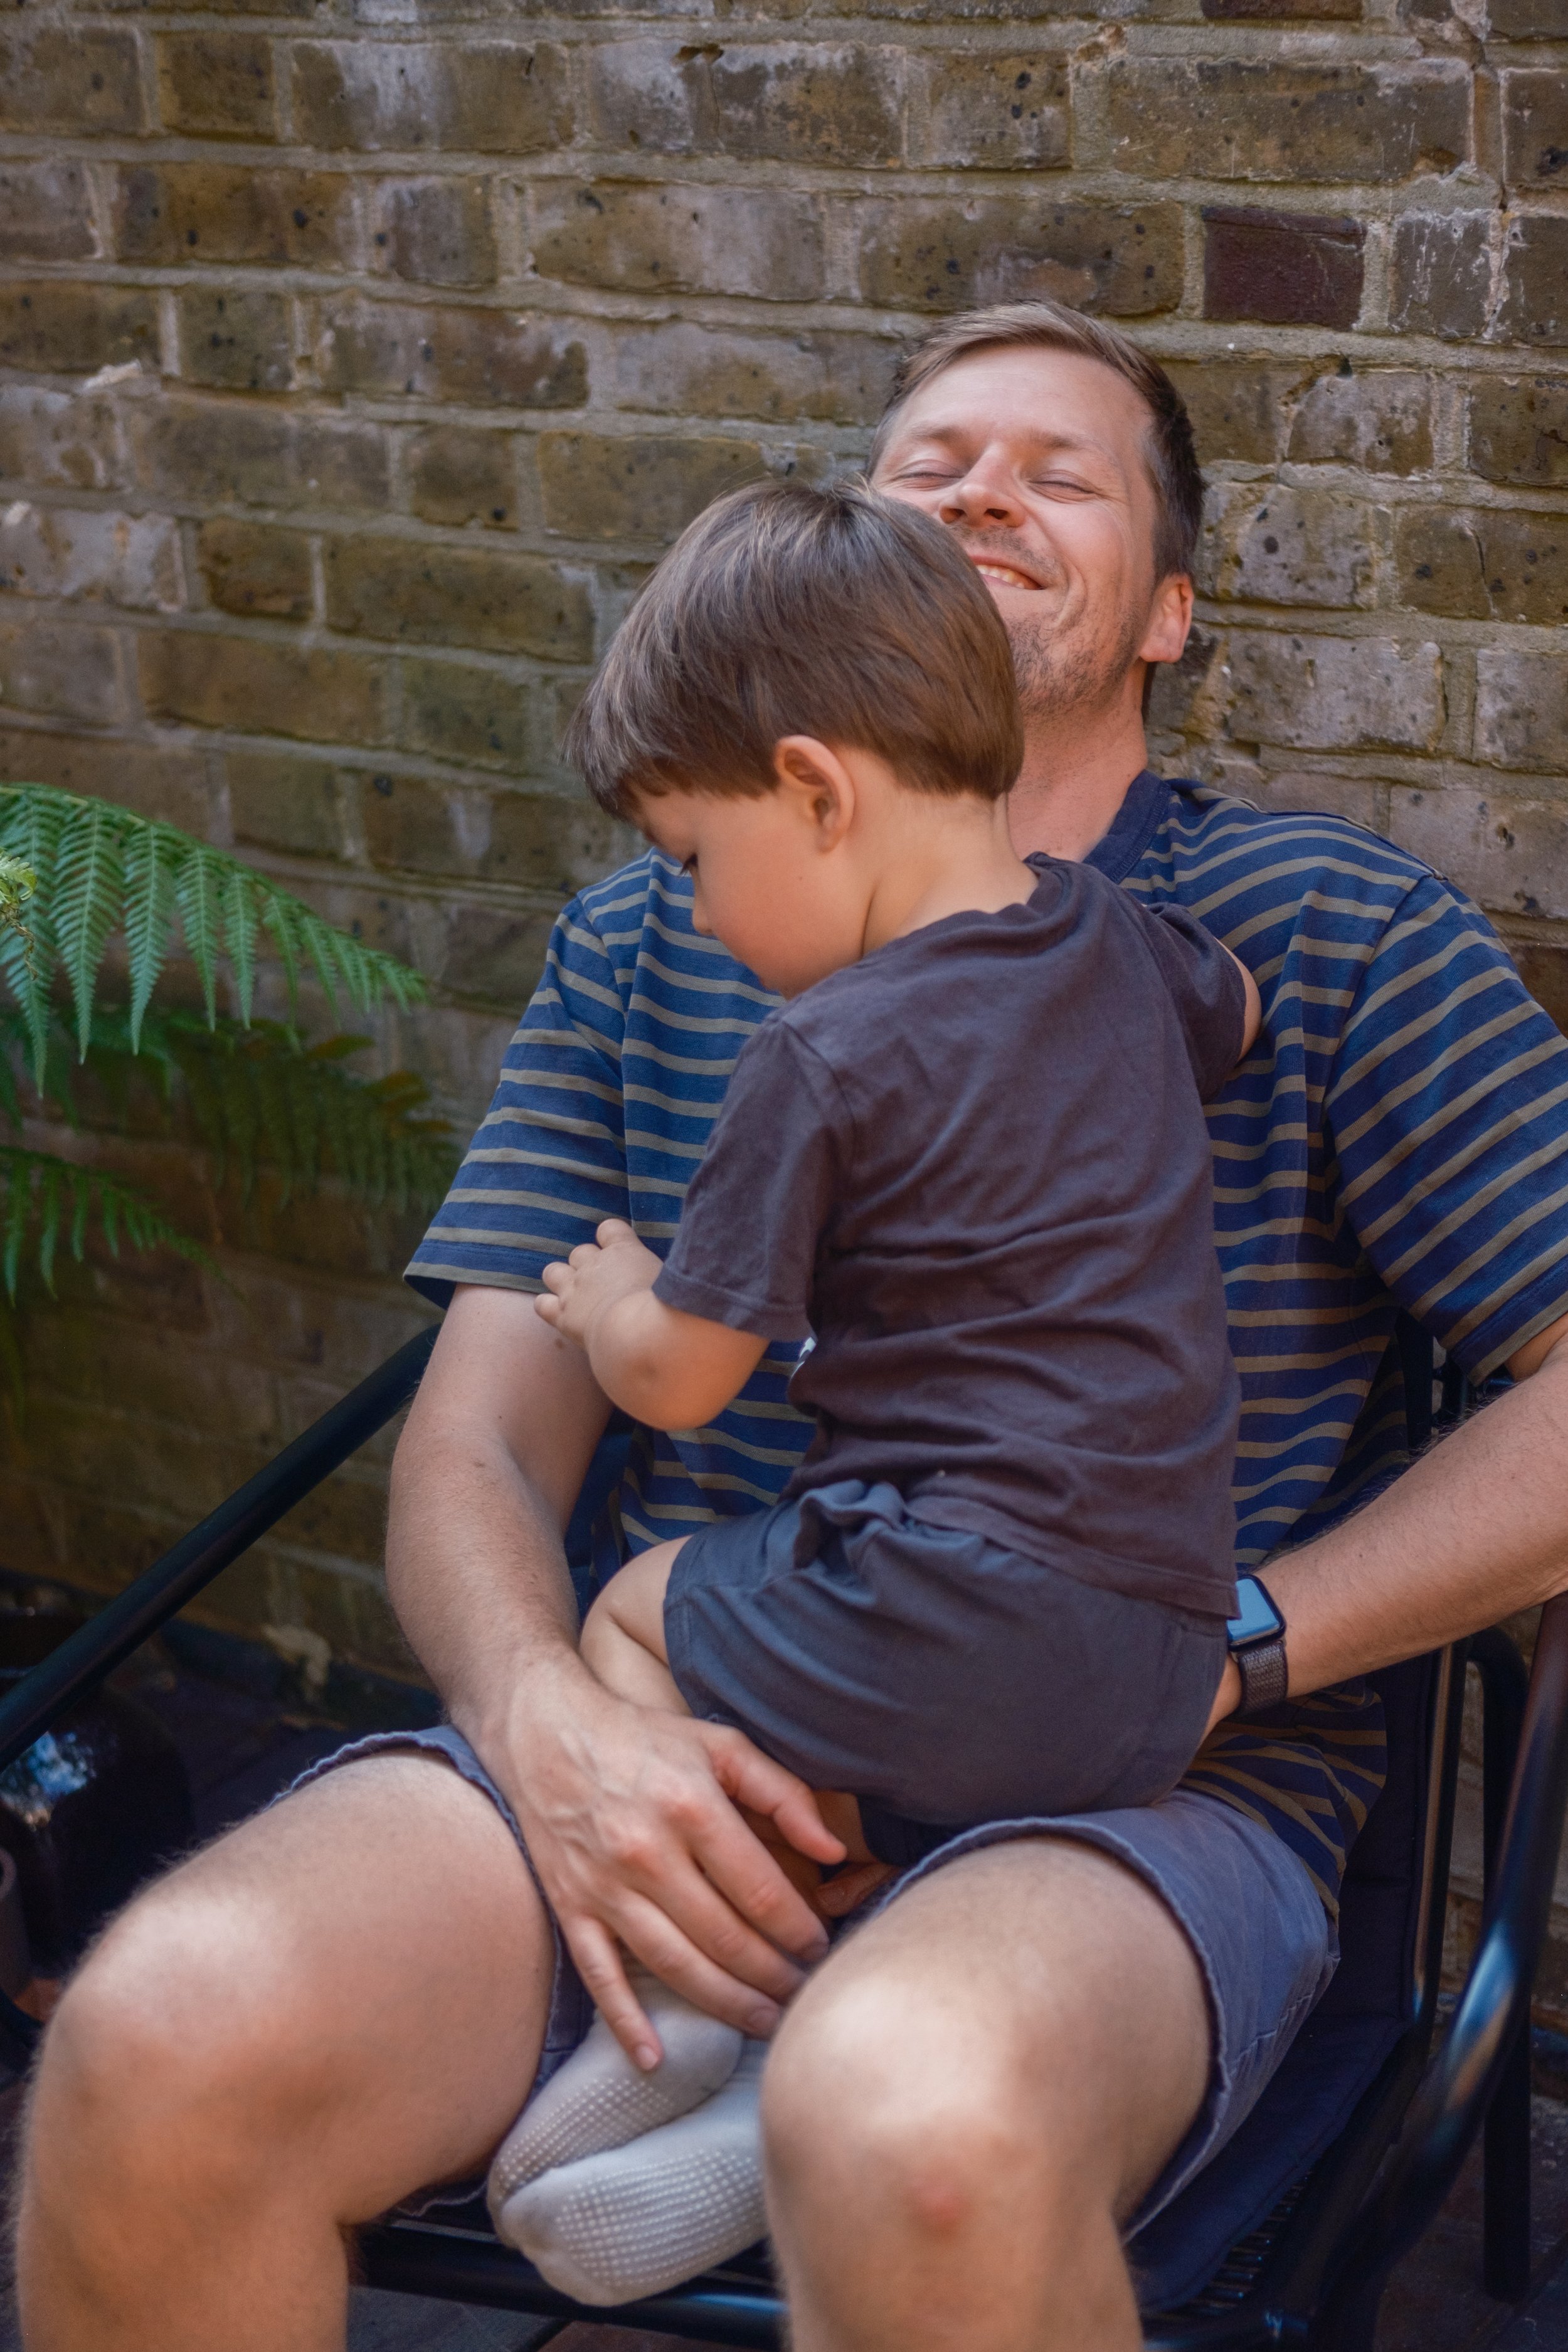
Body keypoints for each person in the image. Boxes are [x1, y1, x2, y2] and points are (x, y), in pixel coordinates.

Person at [17, 300, 1568, 2352]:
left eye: (1058, 469)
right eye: (928, 466)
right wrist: (552, 1737)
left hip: (1139, 1792)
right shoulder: (662, 926)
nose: (981, 491)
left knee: (913, 2124)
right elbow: (481, 1440)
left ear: (1169, 615)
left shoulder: (1335, 938)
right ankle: (684, 2035)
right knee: (159, 2039)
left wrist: (1233, 1649)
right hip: (681, 1737)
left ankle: (768, 2059)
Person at [481, 475, 1259, 2301]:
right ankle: (794, 2022)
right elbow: (1225, 1011)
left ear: (818, 791)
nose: (685, 910)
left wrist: (604, 1303)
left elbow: (682, 1383)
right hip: (1161, 1660)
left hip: (952, 1605)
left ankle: (702, 2017)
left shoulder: (818, 1055)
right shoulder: (1112, 941)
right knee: (785, 1637)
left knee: (636, 1614)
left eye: (690, 857)